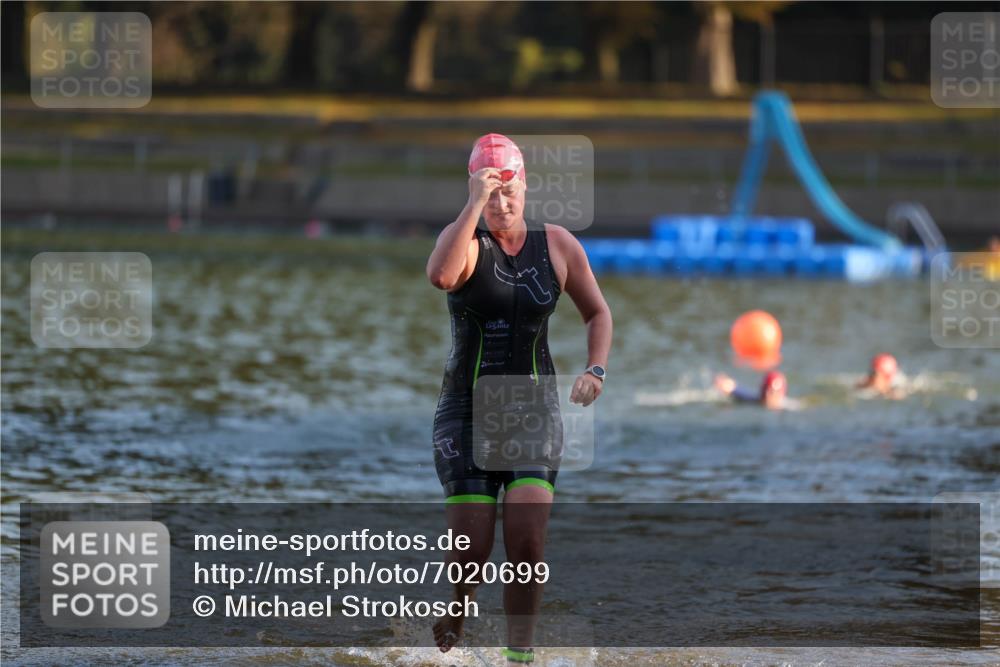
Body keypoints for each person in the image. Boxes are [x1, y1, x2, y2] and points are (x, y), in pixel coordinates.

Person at [425, 133, 613, 663]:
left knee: (528, 546)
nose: (502, 206)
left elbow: (598, 313)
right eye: (491, 195)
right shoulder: (463, 241)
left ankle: (519, 656)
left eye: (510, 192)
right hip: (465, 414)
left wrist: (595, 369)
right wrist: (473, 204)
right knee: (473, 554)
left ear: (526, 187)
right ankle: (458, 609)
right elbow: (440, 276)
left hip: (533, 416)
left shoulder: (557, 245)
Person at [714, 370, 788, 410]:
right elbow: (737, 390)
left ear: (781, 394)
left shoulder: (788, 406)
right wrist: (728, 386)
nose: (768, 394)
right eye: (766, 390)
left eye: (773, 392)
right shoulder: (753, 400)